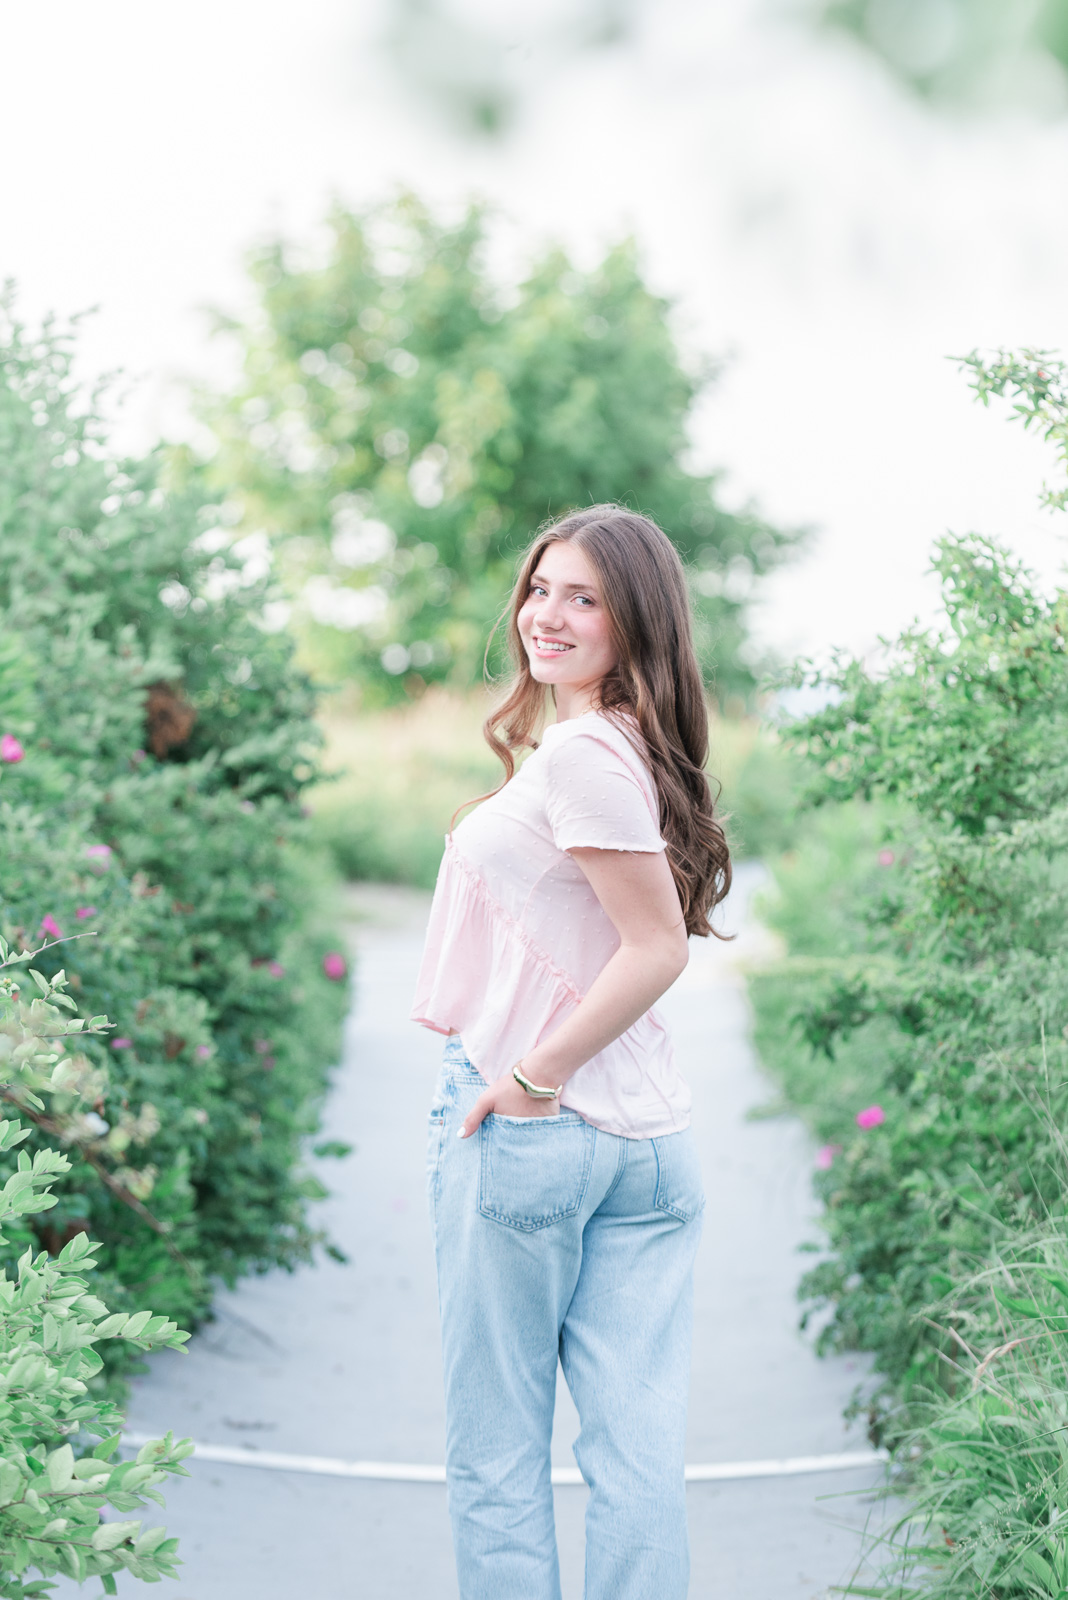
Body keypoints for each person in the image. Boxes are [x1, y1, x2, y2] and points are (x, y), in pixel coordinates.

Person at [412, 504, 731, 1600]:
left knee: (499, 1456)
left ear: (634, 619)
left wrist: (529, 1079)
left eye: (583, 596)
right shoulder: (626, 745)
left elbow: (655, 949)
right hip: (645, 1145)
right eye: (541, 588)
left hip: (543, 1129)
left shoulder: (589, 753)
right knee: (635, 1460)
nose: (547, 614)